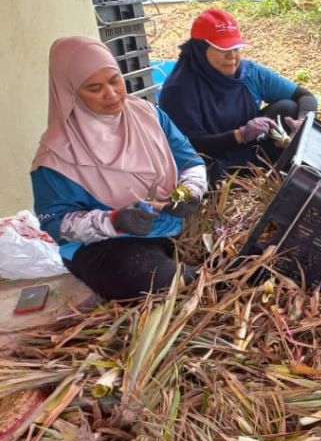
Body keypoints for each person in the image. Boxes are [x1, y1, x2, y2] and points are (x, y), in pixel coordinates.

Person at [31, 36, 207, 302]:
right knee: (159, 282)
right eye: (94, 88)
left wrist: (189, 192)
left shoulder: (148, 116)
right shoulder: (57, 155)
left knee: (234, 249)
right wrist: (114, 220)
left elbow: (190, 161)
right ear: (71, 92)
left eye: (115, 80)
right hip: (107, 245)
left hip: (171, 223)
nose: (112, 95)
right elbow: (57, 223)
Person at [159, 8, 318, 182]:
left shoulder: (250, 73)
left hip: (251, 150)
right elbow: (190, 145)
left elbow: (306, 97)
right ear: (200, 50)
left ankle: (277, 173)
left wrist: (302, 124)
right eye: (223, 49)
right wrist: (239, 135)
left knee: (288, 108)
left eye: (235, 48)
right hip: (215, 159)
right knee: (202, 174)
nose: (232, 56)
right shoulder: (179, 89)